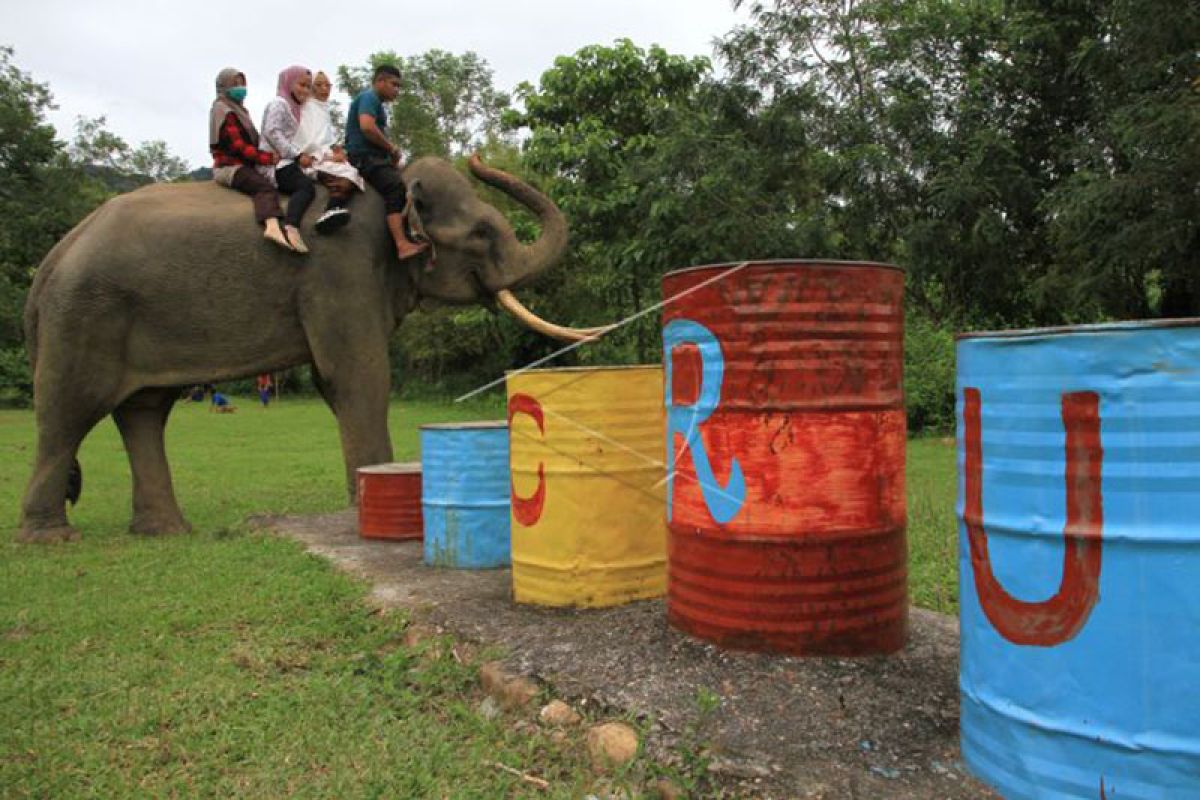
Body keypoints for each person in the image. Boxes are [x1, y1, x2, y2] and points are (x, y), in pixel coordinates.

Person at [345, 64, 429, 261]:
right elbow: (367, 127)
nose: (397, 90)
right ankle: (401, 244)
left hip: (373, 157)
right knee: (395, 187)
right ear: (380, 81)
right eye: (394, 84)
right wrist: (391, 147)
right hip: (363, 158)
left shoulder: (377, 104)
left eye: (399, 86)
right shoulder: (369, 97)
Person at [209, 68, 296, 252]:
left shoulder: (240, 110)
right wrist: (266, 158)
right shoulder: (222, 109)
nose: (241, 88)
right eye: (235, 84)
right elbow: (238, 145)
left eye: (242, 83)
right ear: (223, 87)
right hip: (229, 166)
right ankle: (271, 226)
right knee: (263, 186)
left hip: (244, 163)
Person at [260, 65, 319, 254]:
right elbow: (272, 131)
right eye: (301, 84)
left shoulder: (295, 109)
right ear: (288, 83)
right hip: (274, 163)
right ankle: (292, 226)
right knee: (305, 187)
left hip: (286, 159)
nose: (305, 90)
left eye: (308, 87)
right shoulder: (279, 103)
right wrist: (296, 155)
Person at [293, 70, 361, 233]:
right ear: (311, 87)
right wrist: (329, 156)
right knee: (347, 175)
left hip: (324, 155)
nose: (324, 89)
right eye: (319, 85)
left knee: (350, 168)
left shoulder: (323, 109)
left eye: (327, 85)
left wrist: (337, 151)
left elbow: (326, 140)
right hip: (310, 159)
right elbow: (307, 141)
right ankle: (330, 209)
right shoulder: (306, 108)